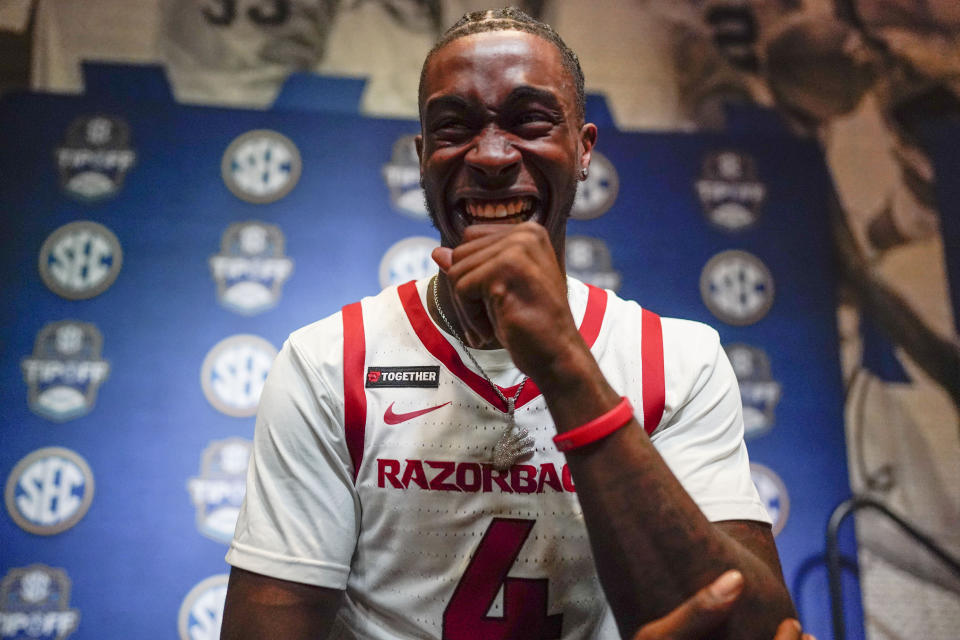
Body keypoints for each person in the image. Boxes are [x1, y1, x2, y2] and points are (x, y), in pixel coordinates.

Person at [221, 7, 798, 639]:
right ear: (423, 158)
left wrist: (563, 363)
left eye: (529, 121)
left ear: (582, 150)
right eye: (453, 128)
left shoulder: (678, 360)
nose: (492, 156)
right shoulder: (330, 362)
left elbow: (753, 629)